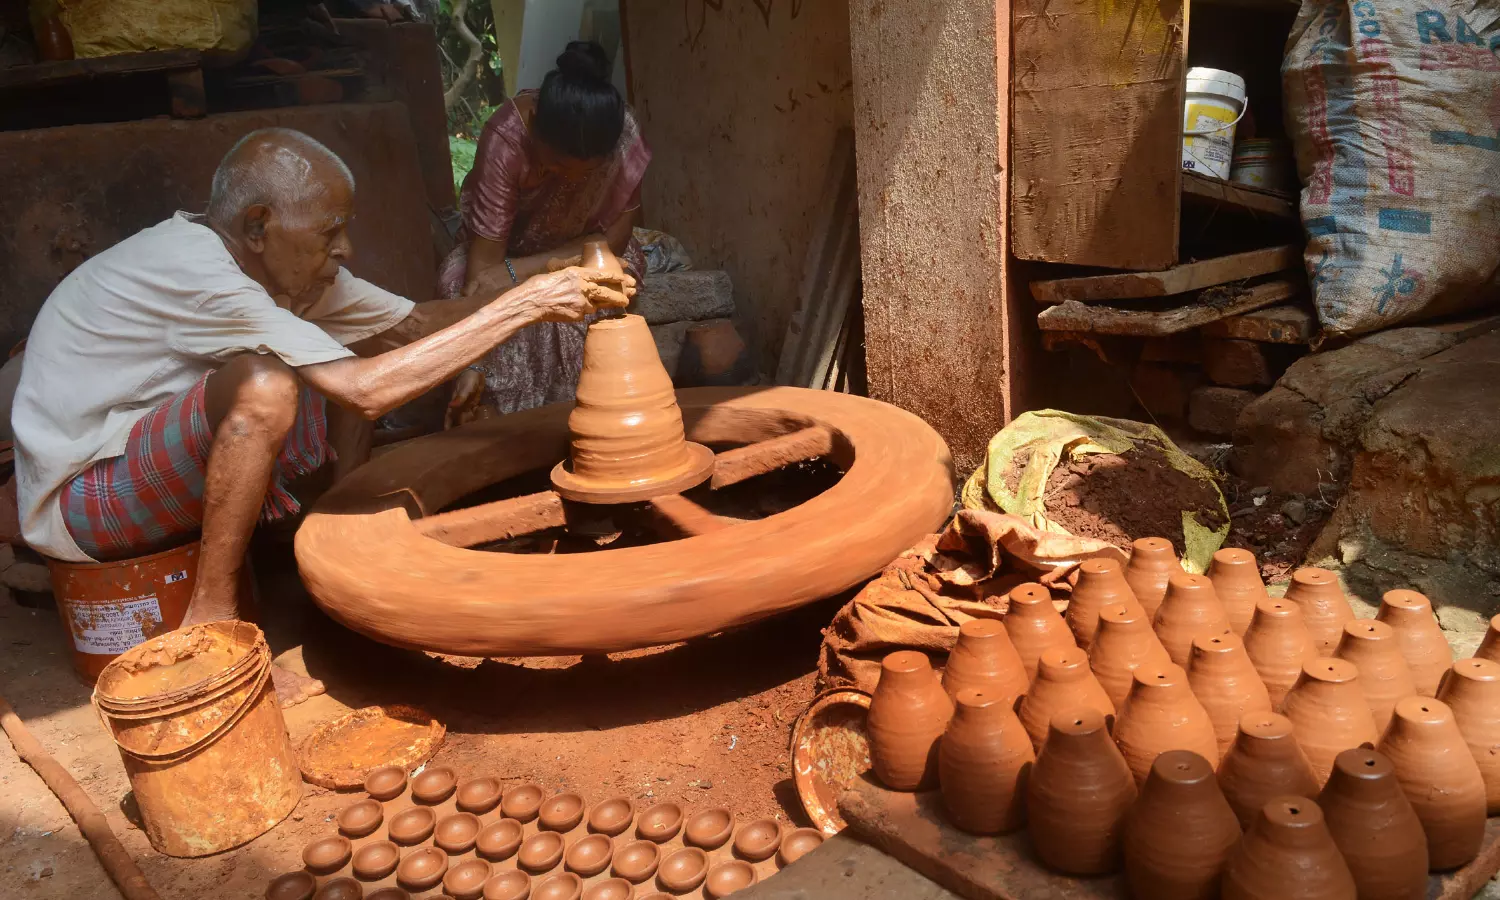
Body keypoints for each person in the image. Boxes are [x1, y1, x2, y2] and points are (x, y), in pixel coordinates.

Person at [11, 128, 631, 705]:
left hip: (136, 454)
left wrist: (543, 277)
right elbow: (363, 392)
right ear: (258, 226)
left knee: (347, 342)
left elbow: (411, 327)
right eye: (330, 231)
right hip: (81, 499)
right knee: (266, 385)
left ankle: (333, 529)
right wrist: (526, 307)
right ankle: (216, 634)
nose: (346, 248)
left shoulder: (279, 266)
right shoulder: (197, 271)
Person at [440, 40, 649, 421]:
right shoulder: (506, 140)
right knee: (462, 290)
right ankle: (503, 427)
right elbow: (484, 270)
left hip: (579, 256)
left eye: (583, 175)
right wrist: (474, 361)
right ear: (534, 122)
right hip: (506, 253)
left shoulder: (622, 135)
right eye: (554, 165)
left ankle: (579, 419)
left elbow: (614, 240)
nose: (568, 181)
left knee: (597, 296)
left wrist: (523, 272)